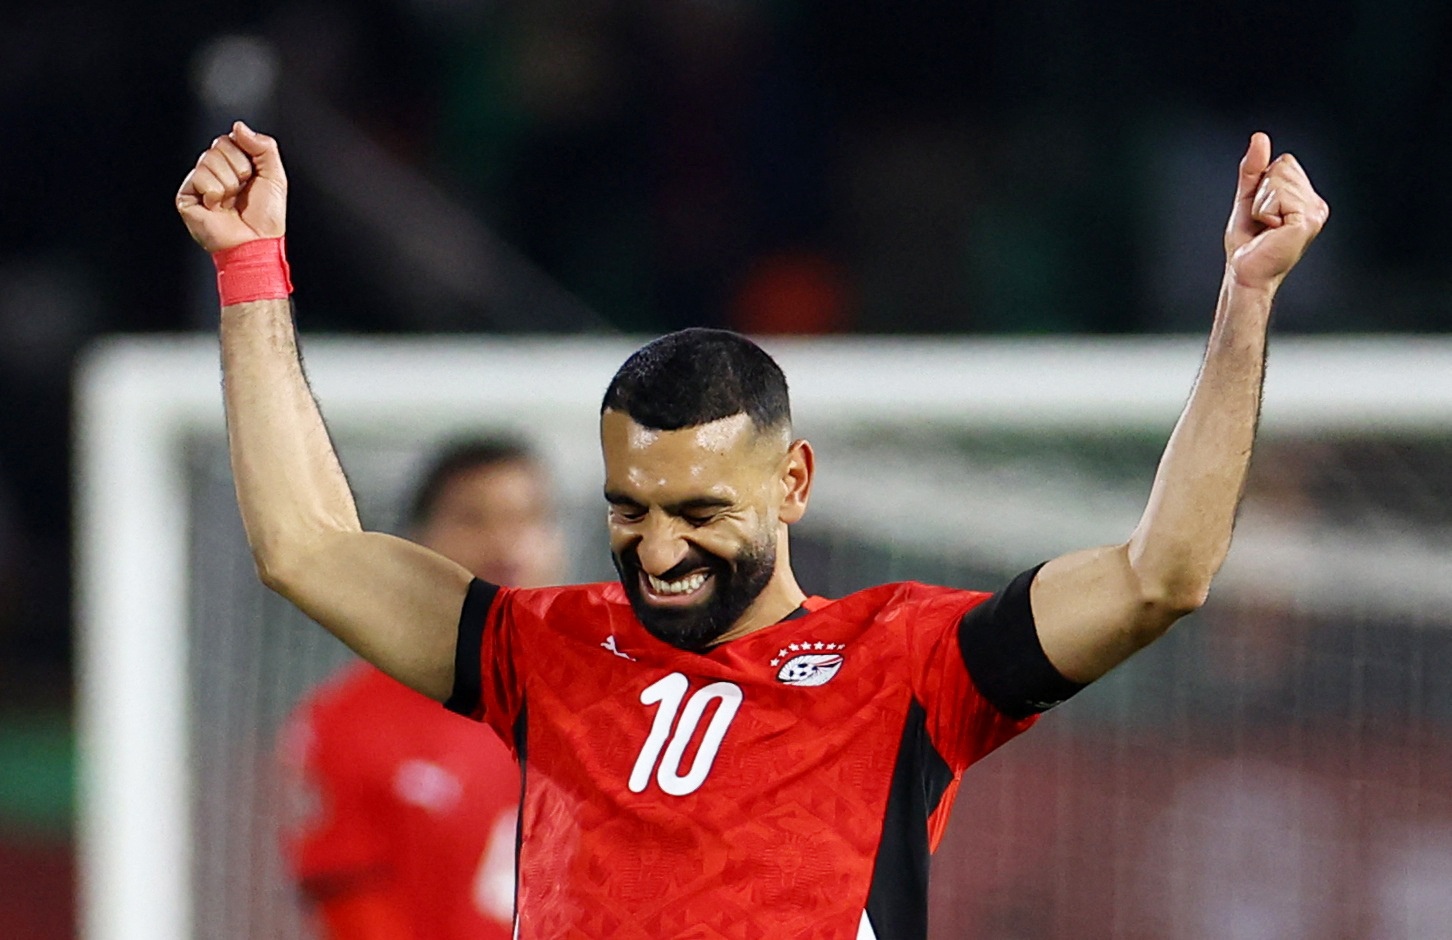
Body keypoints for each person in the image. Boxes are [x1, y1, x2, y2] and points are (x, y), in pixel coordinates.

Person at [176, 122, 1328, 939]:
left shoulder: (910, 660)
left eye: (698, 513)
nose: (659, 551)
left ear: (793, 485)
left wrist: (1244, 304)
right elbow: (310, 548)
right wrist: (250, 269)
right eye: (629, 511)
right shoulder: (542, 647)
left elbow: (1159, 577)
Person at [276, 439, 564, 940]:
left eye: (526, 518)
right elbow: (350, 905)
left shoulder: (623, 701)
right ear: (416, 544)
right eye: (475, 519)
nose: (505, 544)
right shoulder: (349, 720)